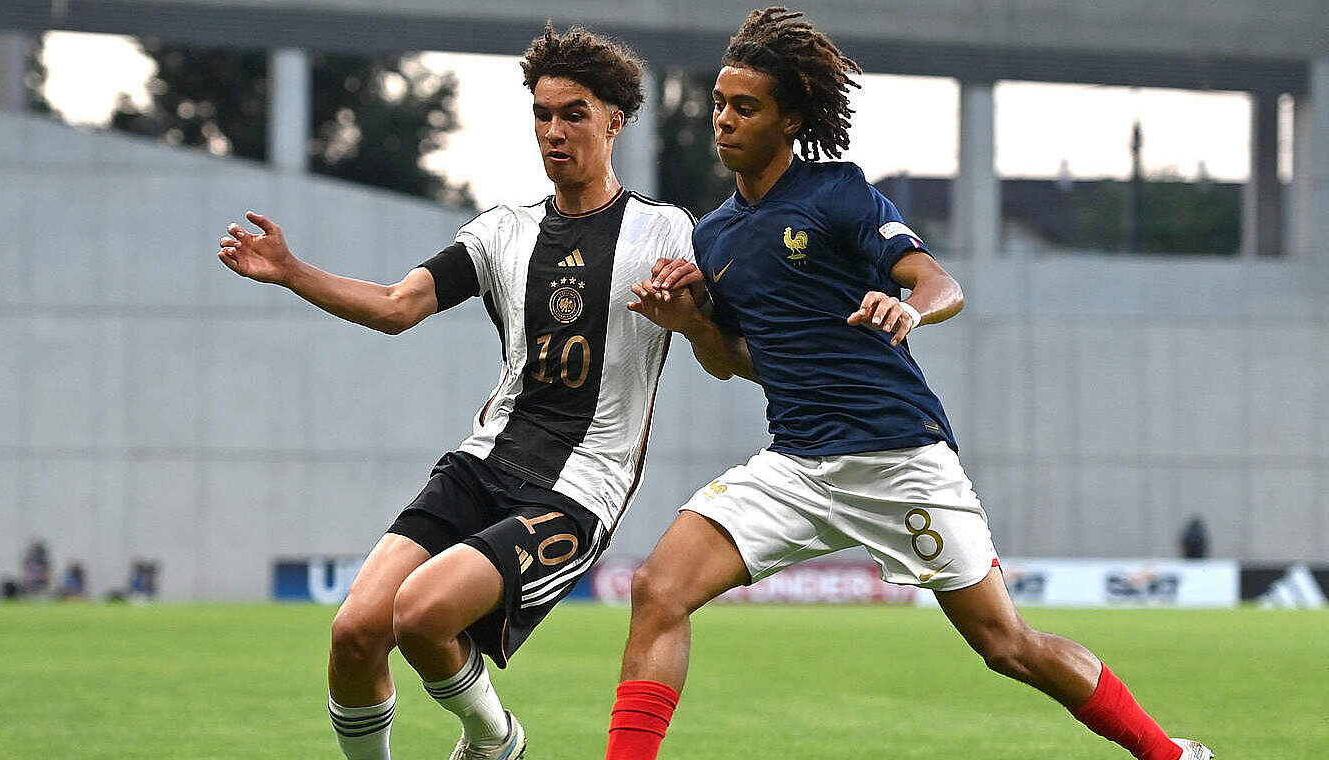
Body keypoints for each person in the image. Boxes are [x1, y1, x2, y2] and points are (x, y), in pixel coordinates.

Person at [610, 8, 1213, 760]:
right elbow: (739, 360)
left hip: (898, 456)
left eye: (746, 106)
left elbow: (939, 281)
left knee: (1007, 645)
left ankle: (1171, 755)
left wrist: (907, 306)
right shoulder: (717, 234)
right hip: (796, 464)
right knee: (657, 590)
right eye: (720, 104)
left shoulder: (839, 195)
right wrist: (690, 322)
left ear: (791, 119)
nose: (724, 120)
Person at [218, 22, 692, 760]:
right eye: (541, 113)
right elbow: (395, 306)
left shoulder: (666, 233)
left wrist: (691, 316)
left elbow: (727, 348)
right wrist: (292, 270)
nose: (553, 131)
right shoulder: (503, 232)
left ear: (614, 120)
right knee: (355, 632)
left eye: (573, 113)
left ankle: (492, 738)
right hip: (484, 463)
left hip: (574, 491)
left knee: (422, 615)